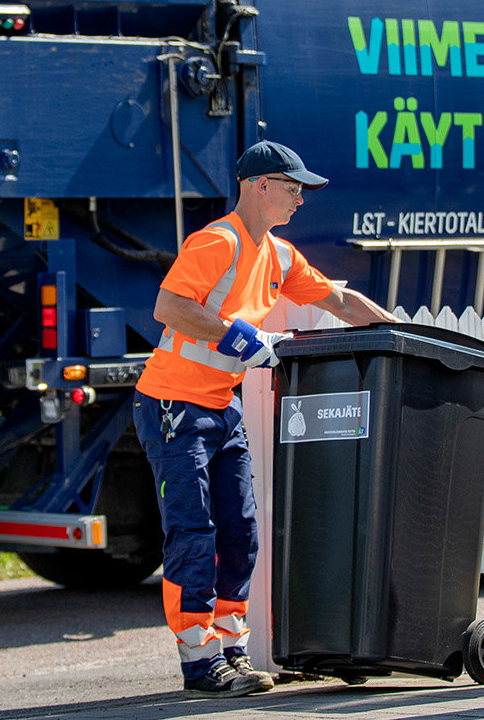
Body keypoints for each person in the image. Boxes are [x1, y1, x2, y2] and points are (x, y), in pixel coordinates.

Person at [133, 140, 398, 698]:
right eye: (293, 186)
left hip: (221, 407)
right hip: (172, 406)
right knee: (194, 533)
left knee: (242, 533)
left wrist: (399, 337)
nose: (301, 198)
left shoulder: (279, 255)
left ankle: (230, 648)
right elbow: (170, 308)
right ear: (260, 185)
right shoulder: (216, 240)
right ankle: (200, 662)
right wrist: (241, 338)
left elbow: (341, 302)